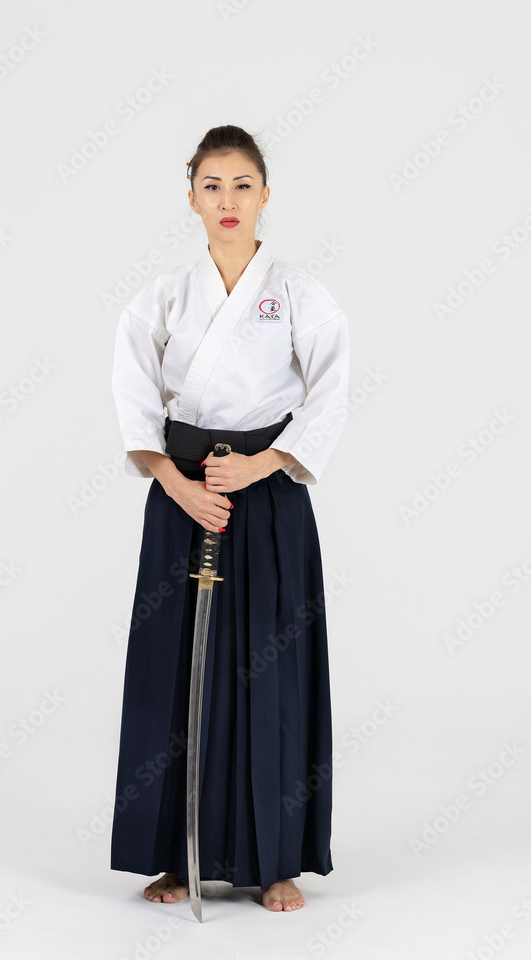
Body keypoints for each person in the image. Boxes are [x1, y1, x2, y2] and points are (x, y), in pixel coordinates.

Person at [110, 124, 349, 913]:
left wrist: (262, 465)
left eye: (242, 185)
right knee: (173, 668)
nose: (227, 201)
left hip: (267, 495)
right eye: (211, 186)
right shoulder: (163, 297)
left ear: (265, 195)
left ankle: (275, 861)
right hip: (183, 494)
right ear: (190, 198)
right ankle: (178, 854)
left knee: (272, 668)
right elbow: (135, 402)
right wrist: (175, 485)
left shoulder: (301, 295)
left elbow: (328, 392)